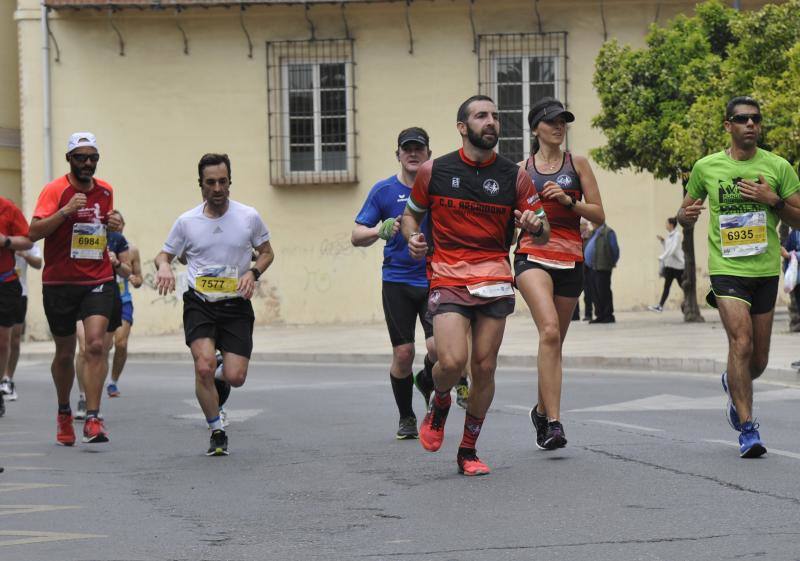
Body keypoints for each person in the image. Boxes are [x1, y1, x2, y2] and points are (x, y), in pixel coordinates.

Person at [401, 95, 549, 476]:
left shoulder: (514, 176)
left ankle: (468, 449)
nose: (492, 122)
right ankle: (441, 401)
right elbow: (410, 217)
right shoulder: (434, 171)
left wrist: (535, 225)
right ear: (463, 127)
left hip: (495, 278)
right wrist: (413, 237)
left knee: (484, 367)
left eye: (495, 116)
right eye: (482, 116)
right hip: (449, 275)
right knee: (450, 361)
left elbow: (543, 229)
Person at [678, 96, 800, 458]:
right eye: (742, 119)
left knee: (757, 360)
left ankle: (733, 383)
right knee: (741, 344)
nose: (750, 124)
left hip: (763, 271)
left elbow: (798, 218)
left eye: (755, 119)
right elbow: (684, 211)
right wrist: (687, 217)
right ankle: (748, 429)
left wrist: (773, 200)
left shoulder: (778, 167)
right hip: (727, 269)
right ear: (728, 125)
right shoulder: (706, 167)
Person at [155, 153, 274, 456]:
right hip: (200, 302)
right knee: (202, 366)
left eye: (223, 181)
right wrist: (165, 266)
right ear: (201, 185)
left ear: (230, 182)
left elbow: (267, 252)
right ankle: (216, 429)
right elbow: (164, 254)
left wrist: (253, 271)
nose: (218, 188)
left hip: (235, 304)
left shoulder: (248, 216)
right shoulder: (187, 222)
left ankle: (220, 371)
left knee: (236, 377)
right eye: (211, 183)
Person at [513, 97, 605, 450]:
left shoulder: (577, 163)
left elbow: (599, 214)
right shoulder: (521, 170)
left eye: (563, 121)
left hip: (570, 259)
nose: (558, 127)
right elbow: (510, 220)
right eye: (551, 121)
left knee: (554, 343)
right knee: (549, 329)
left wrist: (570, 203)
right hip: (532, 254)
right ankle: (554, 422)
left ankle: (539, 410)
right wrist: (524, 221)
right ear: (536, 128)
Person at [29, 133, 123, 444]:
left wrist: (116, 224)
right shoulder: (55, 190)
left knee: (95, 345)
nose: (87, 163)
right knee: (66, 351)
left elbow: (103, 228)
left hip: (97, 278)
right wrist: (66, 211)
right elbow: (33, 232)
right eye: (81, 157)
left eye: (92, 157)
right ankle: (64, 411)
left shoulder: (106, 190)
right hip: (59, 282)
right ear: (69, 159)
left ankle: (93, 418)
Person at [351, 127, 437, 439]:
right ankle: (407, 416)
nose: (413, 154)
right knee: (403, 354)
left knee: (438, 348)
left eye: (419, 148)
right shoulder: (383, 191)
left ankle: (426, 379)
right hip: (397, 281)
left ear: (428, 153)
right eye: (407, 149)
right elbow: (356, 235)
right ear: (398, 154)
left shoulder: (438, 188)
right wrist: (380, 230)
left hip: (433, 278)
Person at [73, 227, 132, 418]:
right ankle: (83, 397)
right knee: (84, 348)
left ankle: (94, 401)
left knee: (100, 351)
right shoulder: (75, 231)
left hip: (106, 296)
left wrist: (115, 263)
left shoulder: (116, 239)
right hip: (77, 292)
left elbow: (128, 271)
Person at [0, 196, 34, 418]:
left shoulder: (7, 209)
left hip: (5, 283)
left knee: (3, 342)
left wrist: (6, 242)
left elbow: (29, 241)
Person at [1, 244, 42, 401]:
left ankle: (7, 379)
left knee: (15, 339)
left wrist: (24, 254)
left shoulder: (24, 240)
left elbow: (38, 263)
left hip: (19, 293)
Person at [107, 216, 143, 397]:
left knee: (120, 343)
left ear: (123, 225)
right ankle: (97, 376)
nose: (115, 226)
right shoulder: (102, 245)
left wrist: (133, 279)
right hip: (103, 300)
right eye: (111, 223)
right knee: (102, 347)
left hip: (124, 300)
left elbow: (139, 279)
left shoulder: (132, 250)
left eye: (118, 223)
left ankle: (113, 382)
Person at [585, 221, 619, 323]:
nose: (591, 223)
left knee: (604, 292)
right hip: (592, 267)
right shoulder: (593, 233)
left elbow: (615, 250)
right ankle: (599, 315)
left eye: (592, 221)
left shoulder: (608, 232)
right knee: (595, 293)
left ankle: (608, 315)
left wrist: (611, 262)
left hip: (603, 267)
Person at [649, 217, 685, 312]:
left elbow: (673, 249)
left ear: (671, 225)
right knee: (666, 286)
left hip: (678, 266)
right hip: (670, 266)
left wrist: (662, 257)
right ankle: (660, 306)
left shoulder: (677, 235)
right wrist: (663, 241)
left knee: (683, 285)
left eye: (666, 223)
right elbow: (668, 248)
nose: (665, 225)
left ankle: (689, 301)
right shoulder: (669, 235)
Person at [579, 218, 594, 321]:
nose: (583, 227)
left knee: (588, 293)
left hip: (589, 268)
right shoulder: (577, 237)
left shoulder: (591, 237)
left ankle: (588, 314)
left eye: (584, 225)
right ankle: (574, 315)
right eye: (582, 225)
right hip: (579, 268)